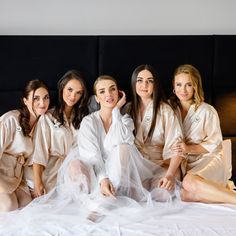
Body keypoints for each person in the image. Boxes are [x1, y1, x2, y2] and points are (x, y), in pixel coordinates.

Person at [170, 64, 236, 204]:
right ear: (174, 87)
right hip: (185, 164)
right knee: (182, 195)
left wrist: (188, 149)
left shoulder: (207, 111)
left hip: (209, 159)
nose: (183, 90)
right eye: (179, 84)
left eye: (189, 85)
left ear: (195, 86)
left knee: (188, 183)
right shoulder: (169, 110)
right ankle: (217, 191)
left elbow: (215, 144)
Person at [124, 64, 185, 192]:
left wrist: (169, 175)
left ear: (155, 85)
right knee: (131, 192)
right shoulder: (127, 109)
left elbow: (177, 148)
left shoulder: (165, 111)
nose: (144, 85)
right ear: (134, 83)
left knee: (162, 194)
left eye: (149, 81)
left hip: (162, 167)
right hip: (137, 166)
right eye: (140, 80)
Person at [30, 70, 89, 197]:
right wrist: (38, 182)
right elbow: (39, 152)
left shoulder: (83, 118)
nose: (73, 96)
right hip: (54, 170)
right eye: (70, 89)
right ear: (62, 87)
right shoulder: (48, 117)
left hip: (77, 169)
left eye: (78, 93)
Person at [0, 80, 50, 212]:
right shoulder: (10, 119)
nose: (42, 103)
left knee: (28, 206)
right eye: (36, 99)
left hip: (17, 178)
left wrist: (36, 184)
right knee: (10, 207)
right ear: (25, 101)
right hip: (2, 175)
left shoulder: (43, 123)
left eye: (46, 98)